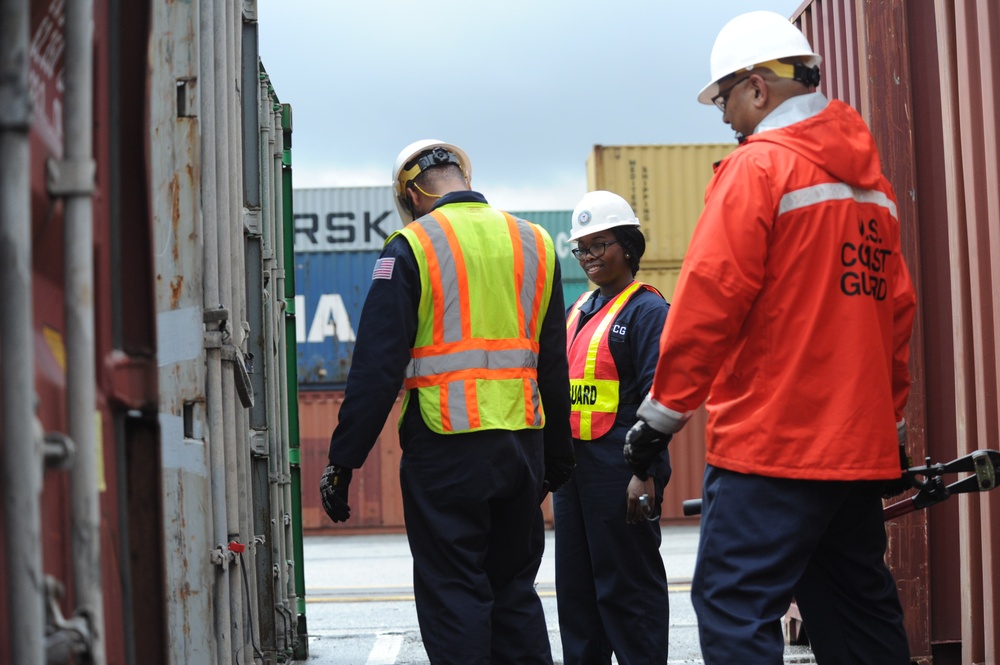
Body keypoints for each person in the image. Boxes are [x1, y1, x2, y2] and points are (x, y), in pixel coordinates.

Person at [622, 11, 917, 665]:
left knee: (733, 607)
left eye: (724, 97)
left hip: (773, 448)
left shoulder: (758, 171)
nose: (725, 116)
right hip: (856, 454)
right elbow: (895, 317)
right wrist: (888, 430)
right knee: (859, 615)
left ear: (758, 87)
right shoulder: (875, 192)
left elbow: (707, 304)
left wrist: (658, 418)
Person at [318, 139, 575, 665]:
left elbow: (375, 367)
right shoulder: (536, 242)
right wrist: (559, 456)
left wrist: (343, 461)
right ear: (463, 175)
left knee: (454, 590)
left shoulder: (410, 246)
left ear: (411, 193)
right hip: (522, 445)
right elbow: (553, 362)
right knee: (514, 591)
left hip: (447, 448)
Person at [555, 190, 671, 665]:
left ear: (628, 245)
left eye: (600, 244)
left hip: (621, 472)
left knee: (629, 593)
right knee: (578, 596)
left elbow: (659, 400)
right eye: (581, 248)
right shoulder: (578, 308)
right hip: (574, 474)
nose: (589, 257)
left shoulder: (647, 312)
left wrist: (644, 474)